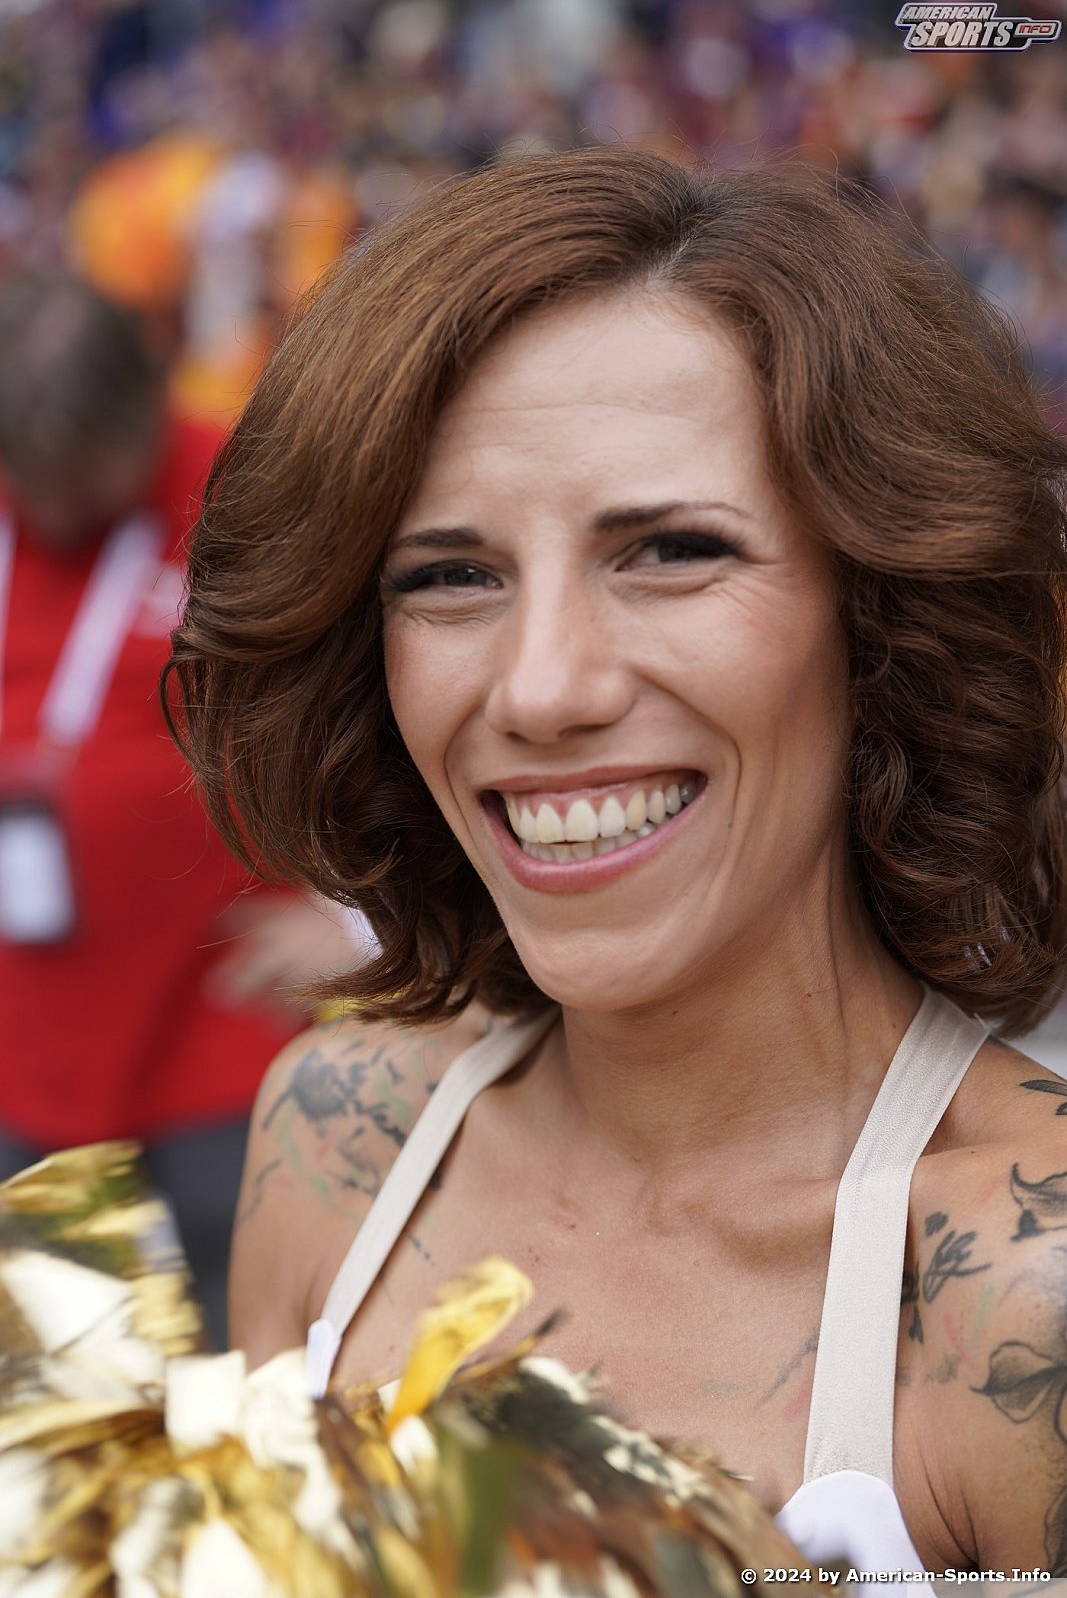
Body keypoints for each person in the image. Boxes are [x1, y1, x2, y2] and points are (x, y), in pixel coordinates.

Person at [166, 147, 1067, 1570]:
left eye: (668, 551)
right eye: (449, 575)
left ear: (880, 616)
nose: (539, 688)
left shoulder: (1026, 1287)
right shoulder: (334, 1136)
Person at [0, 271, 364, 1347]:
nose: (51, 501)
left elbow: (381, 707)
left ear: (141, 413)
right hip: (27, 1042)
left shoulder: (251, 497)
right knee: (61, 1377)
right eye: (27, 474)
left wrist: (356, 921)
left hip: (212, 1036)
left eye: (77, 472)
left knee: (240, 1363)